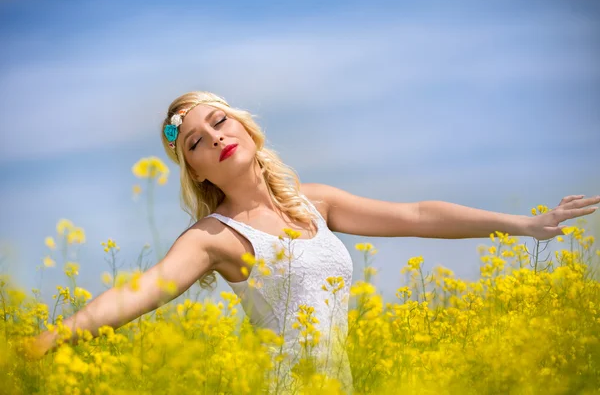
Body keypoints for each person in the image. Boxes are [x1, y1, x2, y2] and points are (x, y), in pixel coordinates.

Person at [25, 91, 600, 393]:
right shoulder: (213, 237)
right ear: (196, 171)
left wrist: (526, 225)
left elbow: (419, 214)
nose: (215, 138)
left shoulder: (313, 202)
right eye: (196, 141)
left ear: (244, 127)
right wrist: (51, 337)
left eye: (220, 121)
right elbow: (142, 291)